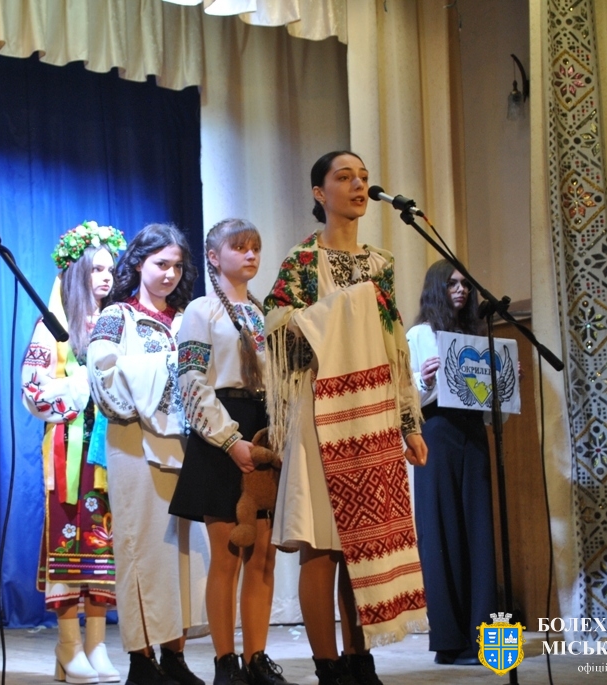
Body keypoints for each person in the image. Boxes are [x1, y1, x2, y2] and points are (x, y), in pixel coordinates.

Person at [262, 151, 429, 685]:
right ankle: (327, 666)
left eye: (363, 177)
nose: (358, 186)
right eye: (344, 177)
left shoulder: (381, 264)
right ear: (320, 192)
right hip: (321, 412)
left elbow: (394, 343)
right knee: (322, 544)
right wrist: (338, 311)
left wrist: (409, 422)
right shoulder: (302, 261)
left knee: (367, 540)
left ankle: (361, 658)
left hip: (373, 413)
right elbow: (276, 324)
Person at [169, 219, 291, 685]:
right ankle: (225, 661)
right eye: (239, 247)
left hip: (262, 431)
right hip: (222, 430)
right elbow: (191, 381)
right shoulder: (201, 311)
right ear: (214, 257)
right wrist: (228, 439)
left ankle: (257, 658)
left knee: (263, 554)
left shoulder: (266, 313)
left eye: (255, 247)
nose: (251, 255)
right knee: (228, 555)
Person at [87, 223, 209, 685]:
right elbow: (103, 379)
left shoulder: (186, 320)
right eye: (161, 264)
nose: (170, 274)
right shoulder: (117, 317)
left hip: (185, 446)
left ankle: (174, 655)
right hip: (134, 444)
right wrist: (168, 366)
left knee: (181, 550)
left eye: (177, 266)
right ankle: (141, 659)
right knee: (141, 548)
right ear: (139, 263)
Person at [22, 221, 127, 684]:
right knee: (69, 540)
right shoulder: (54, 327)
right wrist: (81, 384)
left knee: (104, 543)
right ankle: (68, 646)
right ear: (77, 272)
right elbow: (32, 390)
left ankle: (97, 645)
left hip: (109, 452)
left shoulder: (116, 323)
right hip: (70, 452)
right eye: (96, 269)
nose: (105, 277)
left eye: (110, 269)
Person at [405, 260, 498, 666]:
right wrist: (424, 380)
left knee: (479, 532)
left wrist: (504, 381)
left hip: (473, 433)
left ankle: (486, 640)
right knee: (441, 531)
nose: (460, 290)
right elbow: (403, 395)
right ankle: (449, 641)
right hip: (436, 433)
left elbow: (489, 404)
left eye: (465, 284)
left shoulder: (477, 337)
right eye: (451, 284)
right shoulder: (419, 335)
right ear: (436, 289)